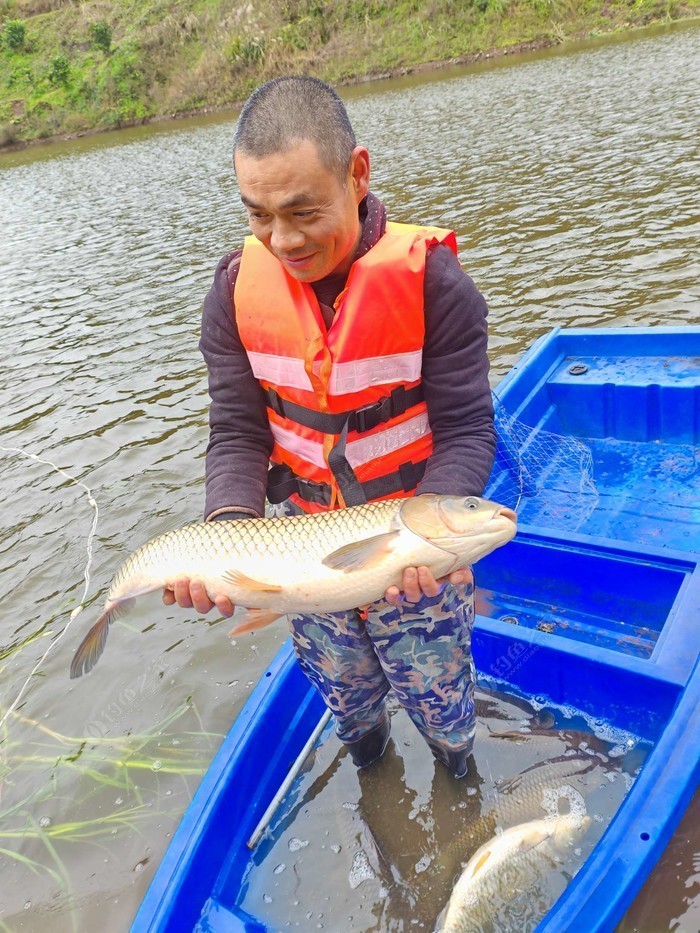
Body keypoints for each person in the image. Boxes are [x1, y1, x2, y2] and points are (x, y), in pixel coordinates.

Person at [163, 76, 496, 778]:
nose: (282, 239)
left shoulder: (435, 282)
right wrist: (226, 530)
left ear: (358, 173)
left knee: (444, 713)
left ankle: (456, 777)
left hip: (414, 553)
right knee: (352, 710)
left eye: (302, 211)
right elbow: (236, 432)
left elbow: (467, 428)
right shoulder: (231, 295)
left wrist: (429, 539)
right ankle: (372, 762)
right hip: (300, 551)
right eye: (258, 215)